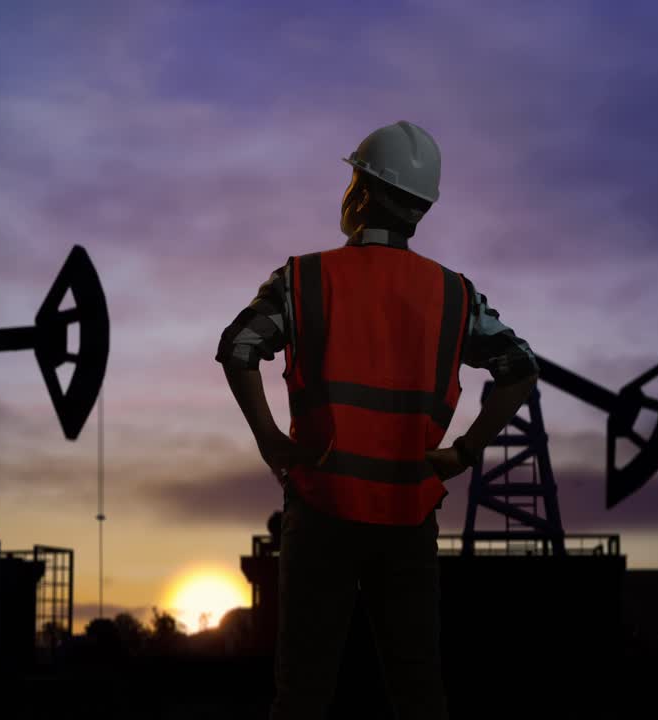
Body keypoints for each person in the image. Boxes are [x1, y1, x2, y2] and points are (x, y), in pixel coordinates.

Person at [217, 120, 539, 719]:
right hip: (407, 517)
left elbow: (238, 347)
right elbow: (520, 367)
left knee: (303, 696)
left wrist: (270, 443)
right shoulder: (454, 294)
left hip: (321, 510)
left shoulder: (304, 279)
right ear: (420, 208)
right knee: (418, 692)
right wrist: (466, 450)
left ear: (360, 190)